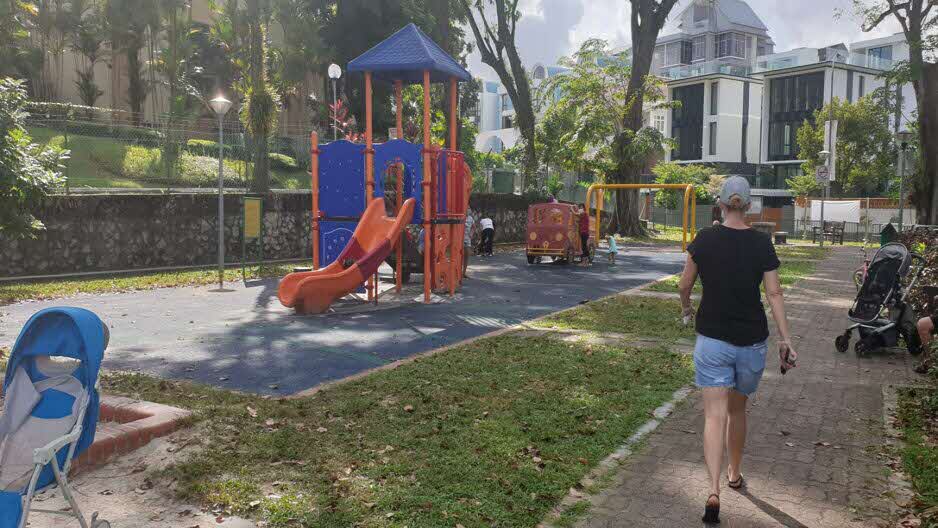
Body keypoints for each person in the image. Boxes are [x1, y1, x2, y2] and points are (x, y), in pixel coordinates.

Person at [677, 176, 796, 524]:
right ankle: (734, 474)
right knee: (737, 411)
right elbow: (774, 294)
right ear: (748, 206)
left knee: (713, 416)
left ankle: (713, 491)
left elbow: (684, 284)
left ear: (720, 204)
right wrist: (786, 339)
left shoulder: (704, 239)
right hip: (751, 342)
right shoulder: (761, 243)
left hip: (712, 341)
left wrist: (686, 309)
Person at [914, 295, 937, 373]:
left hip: (925, 323)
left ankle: (926, 365)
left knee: (928, 347)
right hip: (926, 324)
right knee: (928, 348)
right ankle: (927, 366)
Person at [463, 208, 476, 278]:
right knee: (459, 256)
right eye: (467, 208)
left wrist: (471, 234)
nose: (468, 210)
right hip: (460, 238)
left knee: (467, 255)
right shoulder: (460, 216)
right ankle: (457, 272)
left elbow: (474, 227)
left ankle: (464, 273)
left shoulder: (470, 218)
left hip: (467, 239)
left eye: (469, 208)